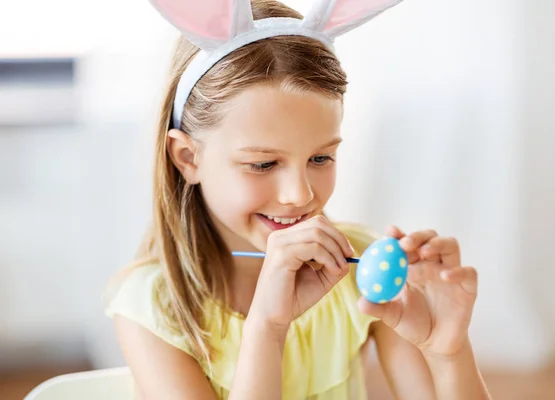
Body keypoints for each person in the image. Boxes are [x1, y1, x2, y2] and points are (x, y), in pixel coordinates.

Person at [104, 0, 492, 398]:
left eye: (321, 157)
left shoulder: (360, 269)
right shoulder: (153, 307)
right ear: (189, 158)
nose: (301, 195)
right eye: (263, 163)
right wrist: (268, 329)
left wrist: (449, 351)